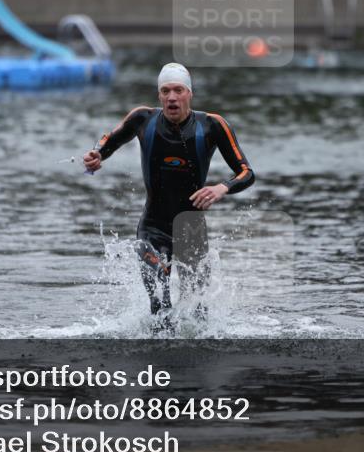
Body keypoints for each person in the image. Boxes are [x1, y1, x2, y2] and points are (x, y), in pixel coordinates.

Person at [83, 63, 255, 323]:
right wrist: (96, 156)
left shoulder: (212, 125)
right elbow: (108, 142)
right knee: (159, 304)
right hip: (152, 228)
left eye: (178, 90)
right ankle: (157, 359)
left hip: (192, 230)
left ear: (189, 94)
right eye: (165, 91)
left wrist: (222, 188)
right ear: (159, 95)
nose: (172, 97)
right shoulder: (143, 119)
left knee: (197, 313)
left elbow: (247, 172)